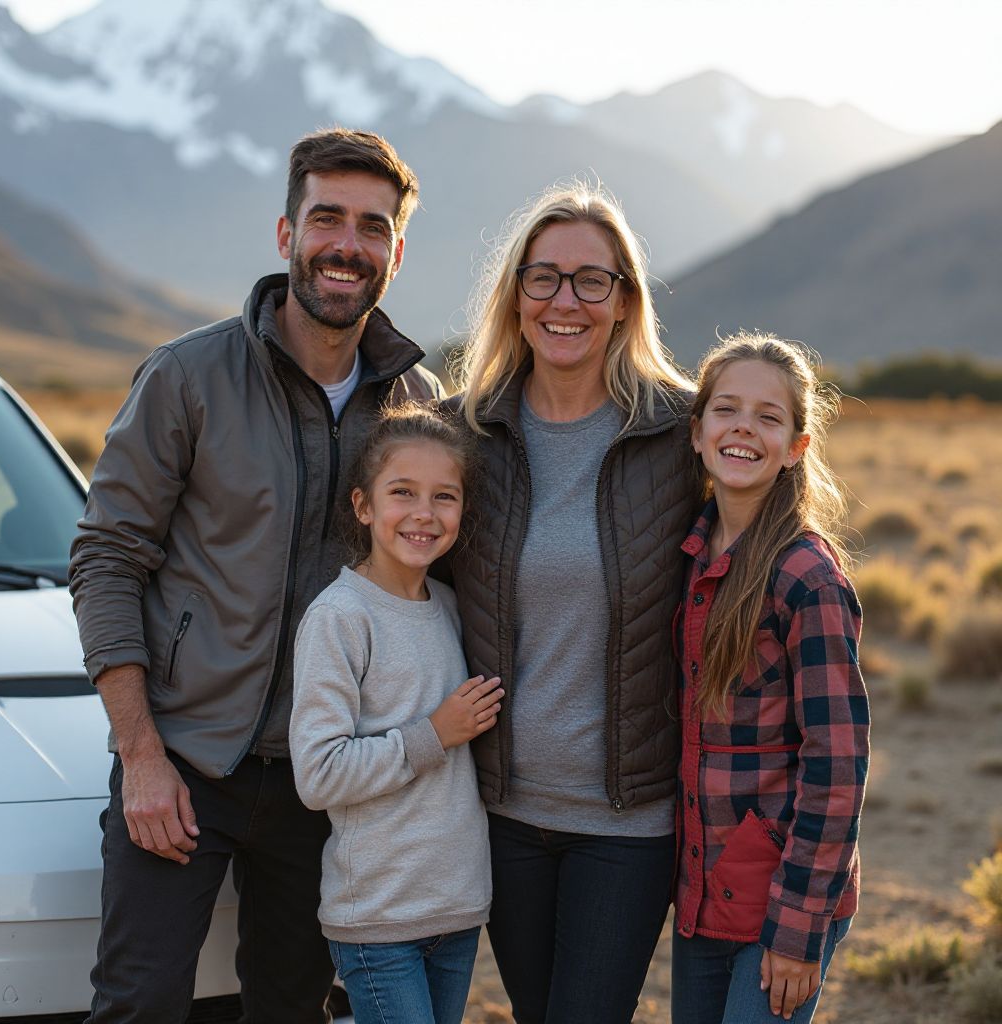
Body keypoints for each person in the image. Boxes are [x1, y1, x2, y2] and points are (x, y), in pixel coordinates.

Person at [68, 128, 444, 1024]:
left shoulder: (415, 409)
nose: (347, 245)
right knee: (140, 1006)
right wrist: (141, 756)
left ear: (396, 251)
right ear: (287, 235)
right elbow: (107, 557)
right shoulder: (188, 377)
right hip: (185, 762)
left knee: (291, 1009)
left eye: (373, 226)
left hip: (326, 781)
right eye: (327, 219)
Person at [449, 182, 697, 1024]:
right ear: (515, 295)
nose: (566, 301)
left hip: (628, 824)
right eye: (544, 277)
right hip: (499, 816)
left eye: (593, 280)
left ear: (625, 301)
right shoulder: (462, 435)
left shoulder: (682, 435)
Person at [670, 333, 869, 1024]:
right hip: (706, 889)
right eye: (726, 409)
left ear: (795, 447)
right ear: (697, 432)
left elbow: (838, 765)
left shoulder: (806, 577)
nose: (743, 428)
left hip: (784, 900)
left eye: (768, 417)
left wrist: (797, 930)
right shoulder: (690, 556)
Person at [290, 403, 501, 1024]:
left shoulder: (454, 608)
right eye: (402, 492)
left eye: (444, 496)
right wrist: (434, 734)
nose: (423, 513)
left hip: (457, 908)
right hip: (378, 918)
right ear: (363, 505)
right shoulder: (340, 618)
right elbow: (318, 775)